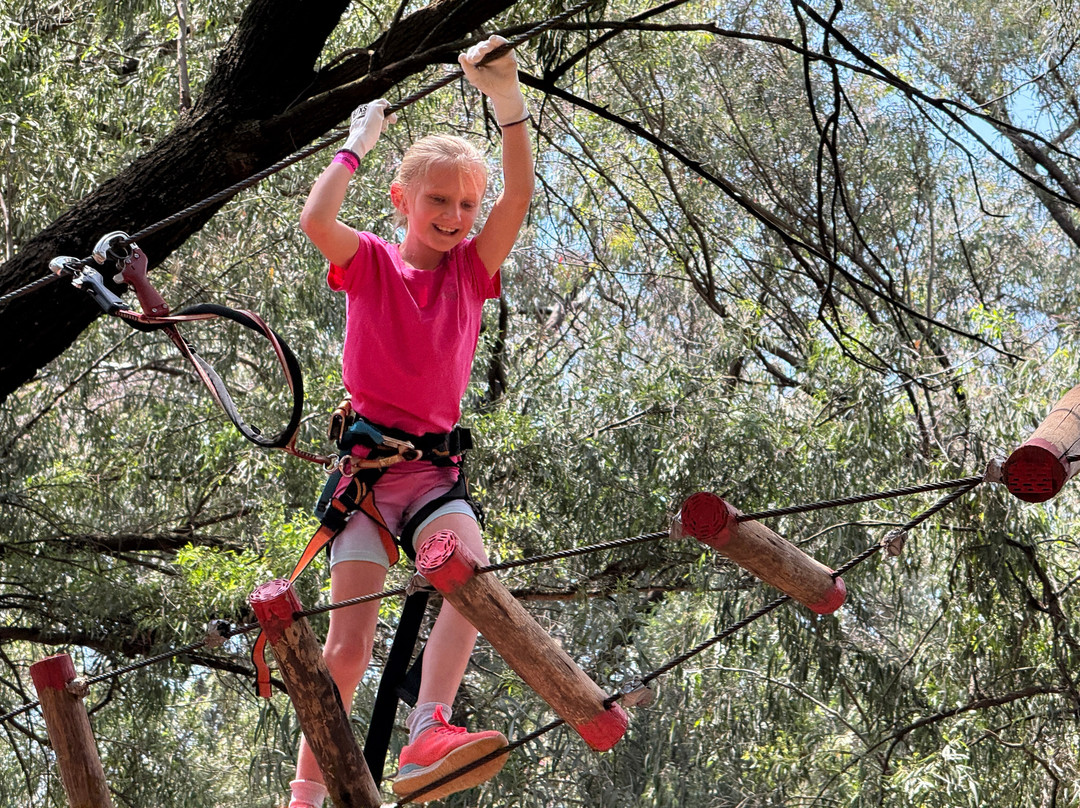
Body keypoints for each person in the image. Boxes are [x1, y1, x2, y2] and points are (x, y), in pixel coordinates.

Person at [285, 35, 534, 808]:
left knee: (470, 576)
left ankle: (430, 727)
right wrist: (358, 145)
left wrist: (508, 103)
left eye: (466, 204)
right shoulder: (369, 262)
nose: (457, 217)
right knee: (348, 648)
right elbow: (314, 218)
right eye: (438, 201)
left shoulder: (471, 273)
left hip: (430, 473)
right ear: (402, 202)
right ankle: (306, 791)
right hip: (364, 478)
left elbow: (517, 198)